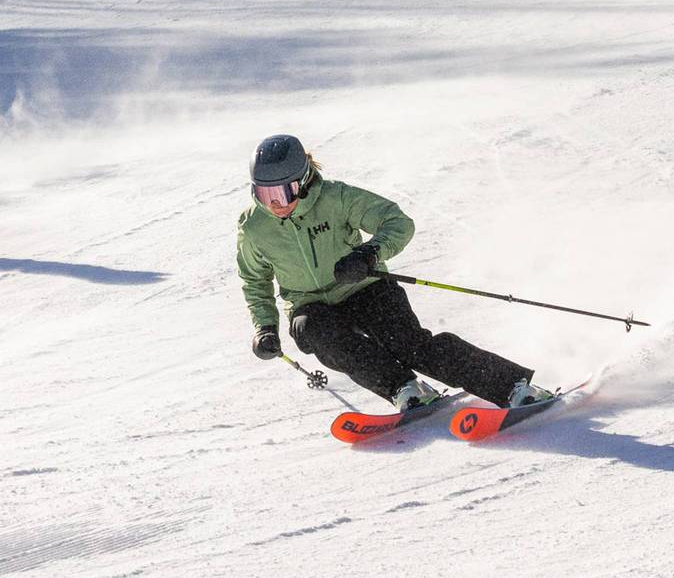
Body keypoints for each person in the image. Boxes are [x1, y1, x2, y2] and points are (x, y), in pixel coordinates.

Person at [236, 134, 552, 412]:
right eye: (266, 195)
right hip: (312, 307)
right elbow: (255, 279)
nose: (276, 205)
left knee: (409, 344)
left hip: (364, 287)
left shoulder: (336, 198)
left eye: (284, 193)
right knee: (320, 335)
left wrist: (368, 254)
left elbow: (398, 222)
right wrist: (264, 327)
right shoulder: (254, 227)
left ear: (303, 182)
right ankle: (405, 389)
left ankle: (513, 387)